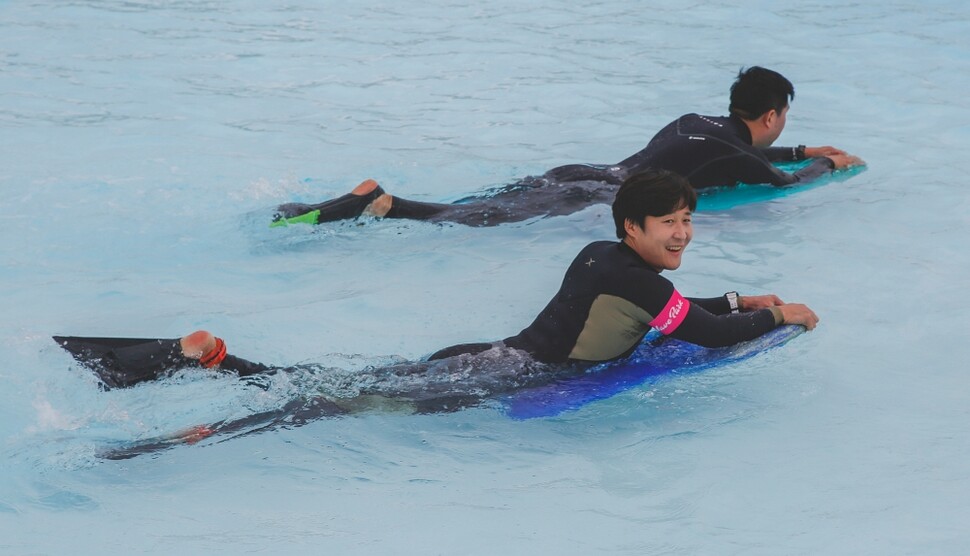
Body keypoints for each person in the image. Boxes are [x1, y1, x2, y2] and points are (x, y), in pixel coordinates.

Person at [74, 170, 818, 412]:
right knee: (319, 404)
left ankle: (196, 358)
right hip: (508, 372)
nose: (683, 234)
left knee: (333, 387)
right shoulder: (632, 273)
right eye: (669, 223)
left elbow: (683, 314)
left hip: (488, 356)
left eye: (689, 221)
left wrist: (737, 299)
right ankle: (212, 363)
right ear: (632, 227)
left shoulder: (614, 263)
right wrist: (779, 316)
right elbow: (699, 334)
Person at [273, 66, 863, 228]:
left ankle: (323, 212)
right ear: (770, 115)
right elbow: (779, 180)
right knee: (468, 222)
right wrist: (825, 165)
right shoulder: (737, 152)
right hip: (592, 192)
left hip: (578, 171)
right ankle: (383, 203)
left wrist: (803, 146)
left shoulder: (696, 121)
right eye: (785, 120)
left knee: (466, 205)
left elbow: (737, 152)